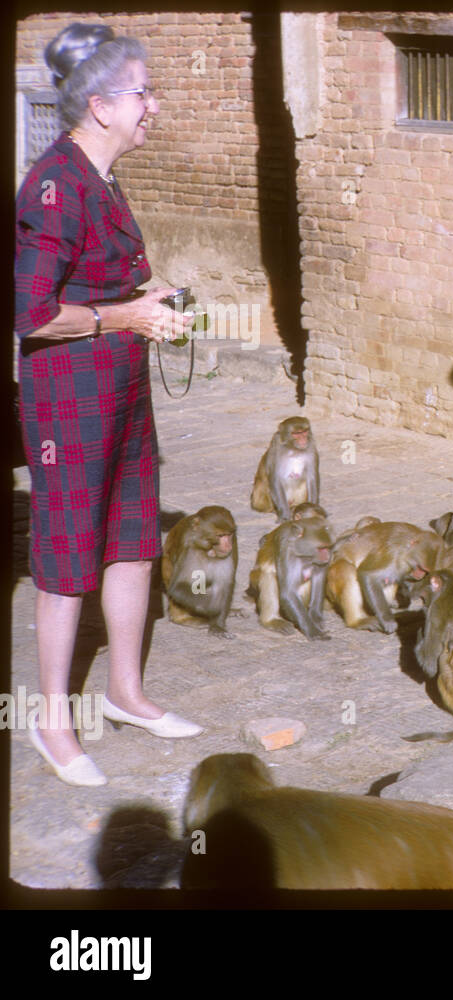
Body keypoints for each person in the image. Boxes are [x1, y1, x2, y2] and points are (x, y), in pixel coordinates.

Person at [15, 23, 201, 786]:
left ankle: (125, 693)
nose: (152, 107)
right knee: (67, 554)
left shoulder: (103, 174)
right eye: (141, 93)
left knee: (131, 535)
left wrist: (142, 296)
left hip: (118, 383)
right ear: (99, 105)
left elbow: (91, 285)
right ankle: (51, 723)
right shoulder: (54, 185)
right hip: (69, 396)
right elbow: (31, 314)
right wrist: (126, 315)